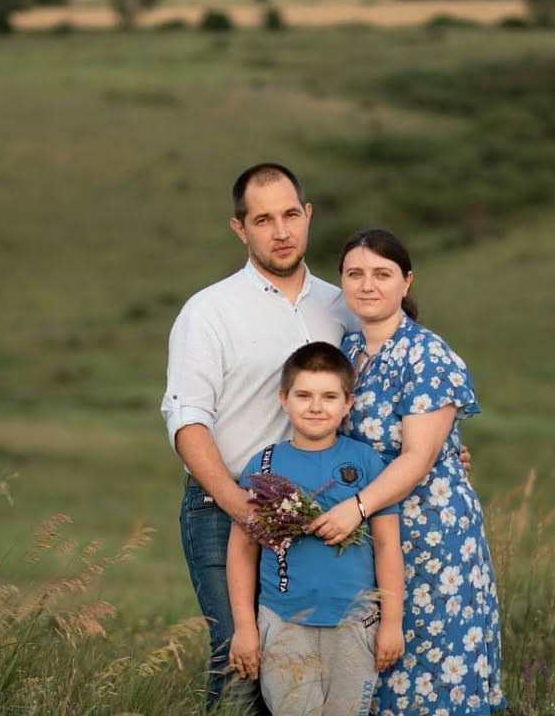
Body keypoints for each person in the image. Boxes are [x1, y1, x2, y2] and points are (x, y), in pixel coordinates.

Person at [161, 163, 356, 711]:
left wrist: (438, 447)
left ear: (308, 215)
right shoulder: (209, 312)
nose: (281, 231)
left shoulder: (341, 304)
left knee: (307, 668)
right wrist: (233, 500)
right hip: (224, 506)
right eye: (263, 219)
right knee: (240, 662)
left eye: (291, 215)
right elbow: (186, 415)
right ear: (239, 228)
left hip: (323, 511)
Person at [307, 228, 505, 715]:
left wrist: (354, 507)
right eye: (355, 274)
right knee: (375, 675)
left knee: (435, 674)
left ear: (406, 282)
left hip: (430, 537)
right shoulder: (346, 352)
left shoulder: (427, 356)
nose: (367, 285)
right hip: (370, 537)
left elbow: (417, 458)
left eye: (382, 274)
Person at [227, 342, 405, 716]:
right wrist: (246, 627)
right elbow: (243, 549)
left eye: (328, 396)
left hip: (355, 622)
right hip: (284, 620)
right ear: (283, 399)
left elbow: (388, 546)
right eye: (303, 395)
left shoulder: (366, 461)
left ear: (348, 403)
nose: (315, 406)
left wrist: (392, 622)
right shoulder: (265, 464)